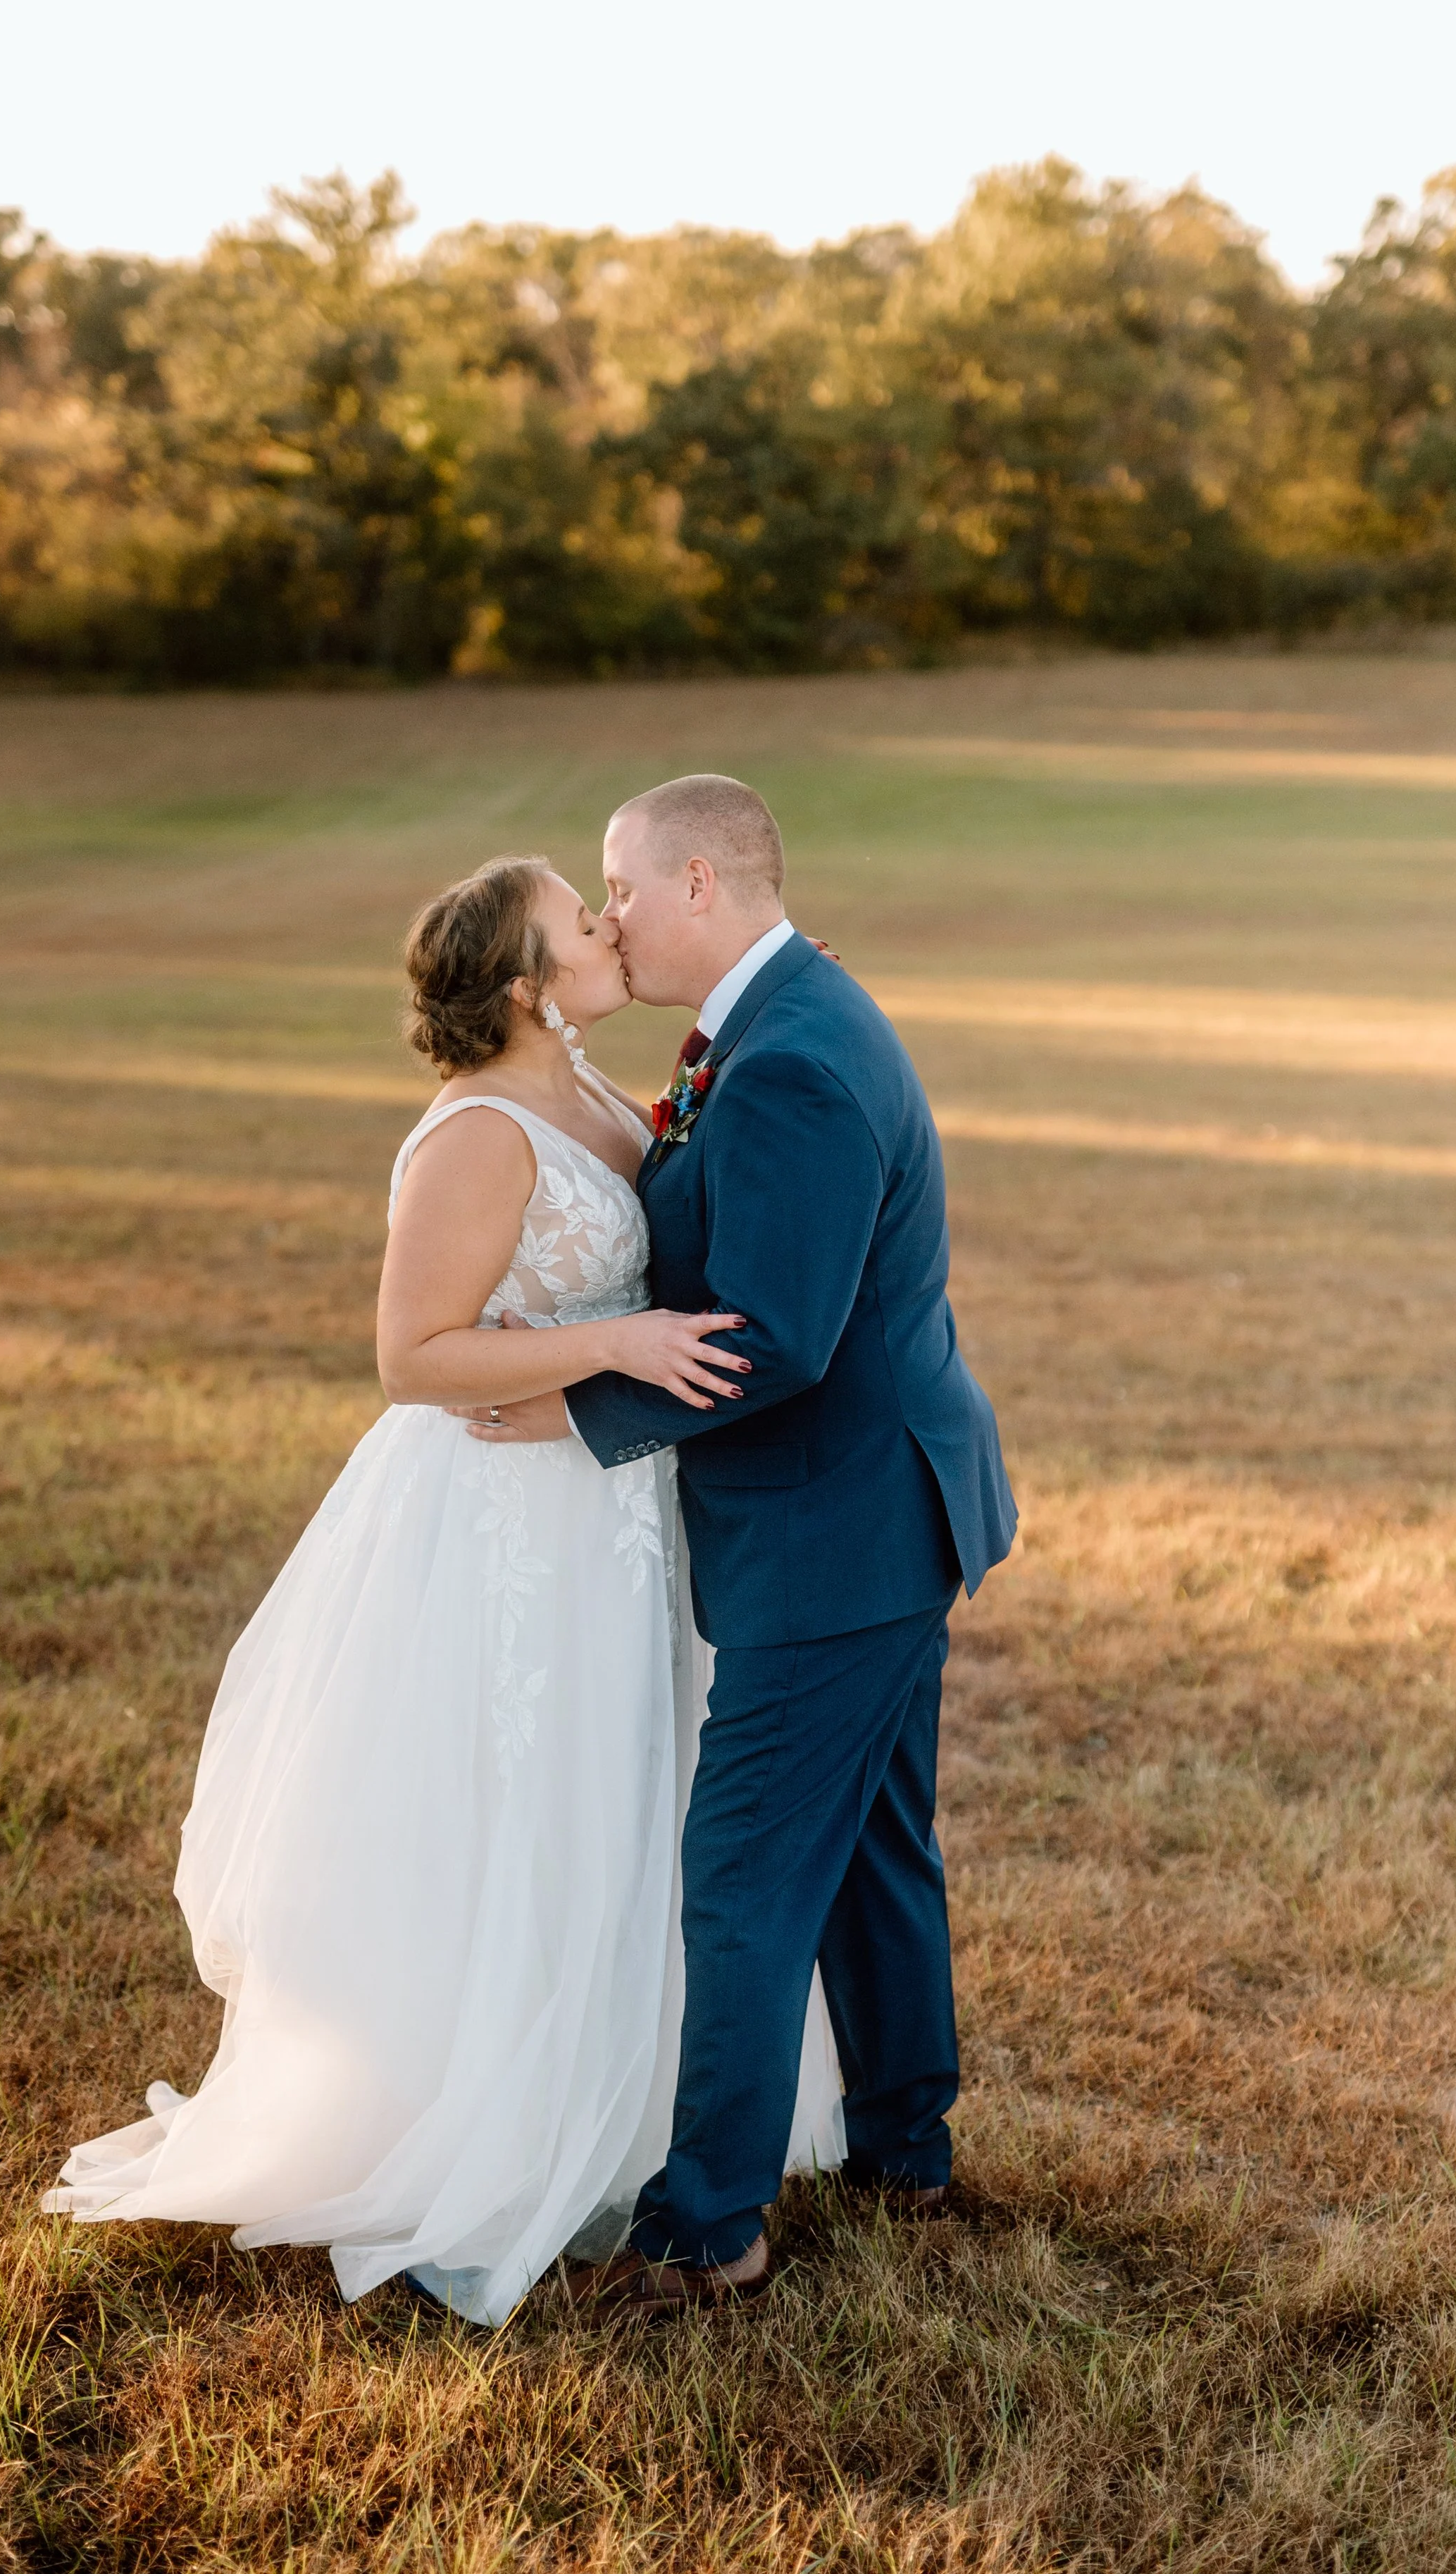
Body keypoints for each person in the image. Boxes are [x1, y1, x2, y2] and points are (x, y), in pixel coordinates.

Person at [44, 853, 844, 2323]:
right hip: (508, 1522)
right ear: (532, 987)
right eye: (579, 919)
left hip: (620, 1510)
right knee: (517, 1803)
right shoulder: (471, 1135)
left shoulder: (601, 1090)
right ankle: (488, 2122)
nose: (610, 926)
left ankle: (635, 2112)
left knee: (629, 1796)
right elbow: (412, 1357)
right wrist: (613, 1347)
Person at [456, 776, 1017, 2314]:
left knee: (744, 1873)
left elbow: (775, 1337)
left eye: (619, 885)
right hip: (883, 1510)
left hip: (836, 1533)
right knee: (870, 1855)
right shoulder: (767, 1024)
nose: (607, 914)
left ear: (696, 882)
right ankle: (906, 2147)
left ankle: (706, 2227)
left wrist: (576, 1413)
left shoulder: (791, 1064)